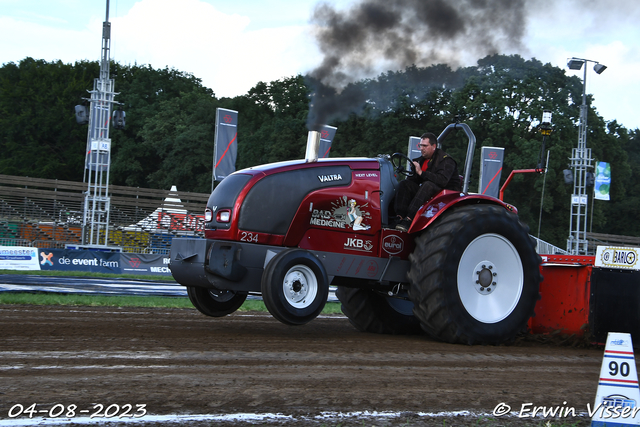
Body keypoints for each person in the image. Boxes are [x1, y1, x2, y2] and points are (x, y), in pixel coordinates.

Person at [394, 132, 461, 232]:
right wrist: (415, 173)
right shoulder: (420, 161)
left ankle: (410, 218)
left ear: (434, 146)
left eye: (425, 146)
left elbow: (442, 181)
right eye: (421, 145)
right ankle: (399, 217)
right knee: (405, 184)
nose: (421, 148)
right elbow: (413, 181)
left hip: (446, 193)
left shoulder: (446, 161)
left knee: (428, 185)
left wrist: (421, 173)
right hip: (428, 191)